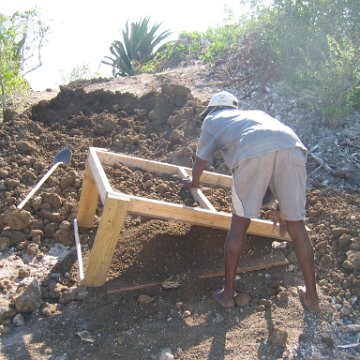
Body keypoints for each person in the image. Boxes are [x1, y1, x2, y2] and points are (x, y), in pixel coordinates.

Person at [182, 91, 320, 312]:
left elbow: (201, 159)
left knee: (239, 225)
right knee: (297, 226)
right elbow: (275, 155)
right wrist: (280, 206)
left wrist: (194, 182)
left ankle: (227, 295)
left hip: (254, 148)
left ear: (212, 108)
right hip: (293, 145)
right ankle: (312, 298)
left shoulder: (212, 119)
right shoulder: (254, 115)